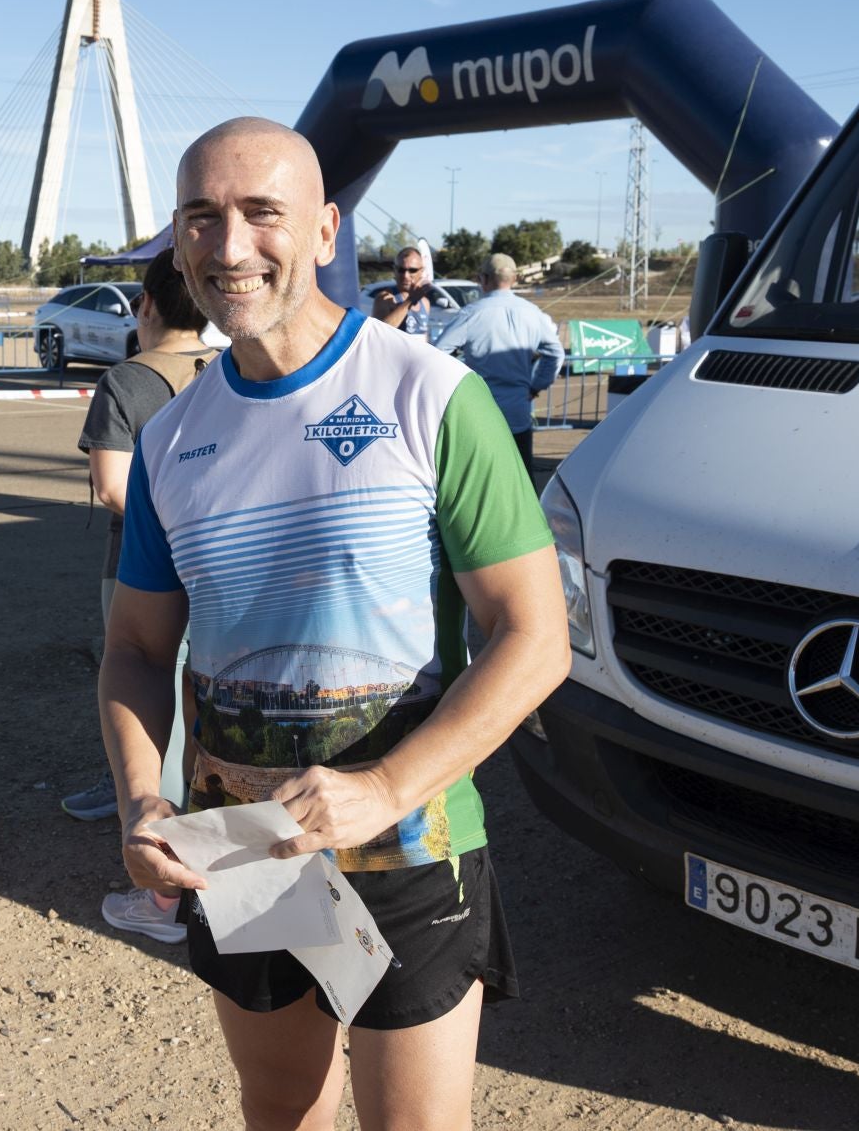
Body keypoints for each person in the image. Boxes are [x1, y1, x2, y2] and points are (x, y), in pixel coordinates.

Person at [99, 118, 570, 1131]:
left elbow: (536, 635)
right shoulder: (171, 436)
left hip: (408, 844)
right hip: (240, 843)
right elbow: (137, 649)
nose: (228, 247)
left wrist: (386, 787)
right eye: (201, 218)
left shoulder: (429, 394)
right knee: (280, 1104)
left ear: (323, 230)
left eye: (260, 213)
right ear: (178, 241)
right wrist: (142, 797)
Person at [59, 249, 219, 945]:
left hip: (140, 569)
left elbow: (111, 486)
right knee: (200, 714)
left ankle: (159, 894)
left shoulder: (126, 381)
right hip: (216, 567)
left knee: (148, 714)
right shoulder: (227, 371)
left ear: (146, 306)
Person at [432, 252, 564, 471]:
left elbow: (438, 354)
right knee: (522, 480)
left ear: (484, 278)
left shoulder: (472, 313)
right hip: (518, 412)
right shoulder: (532, 313)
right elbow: (556, 353)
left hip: (480, 412)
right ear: (514, 279)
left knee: (482, 481)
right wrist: (536, 385)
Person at [369, 245, 433, 335]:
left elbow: (424, 336)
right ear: (394, 270)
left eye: (412, 270)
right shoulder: (385, 299)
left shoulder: (425, 302)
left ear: (421, 271)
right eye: (401, 270)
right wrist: (409, 301)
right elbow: (379, 334)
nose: (405, 276)